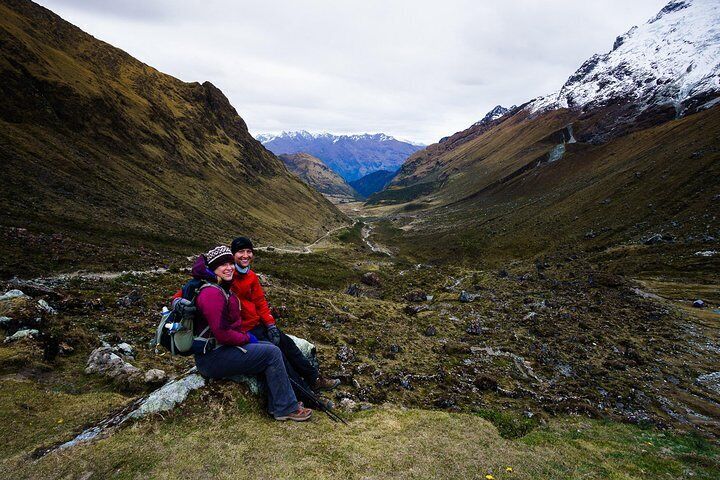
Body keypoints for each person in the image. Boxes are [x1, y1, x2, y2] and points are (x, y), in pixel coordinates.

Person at [184, 245, 312, 422]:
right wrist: (245, 338)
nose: (229, 267)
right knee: (272, 353)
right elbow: (222, 334)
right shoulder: (211, 293)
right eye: (223, 265)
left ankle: (277, 404)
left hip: (218, 352)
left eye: (230, 263)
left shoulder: (218, 286)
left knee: (269, 347)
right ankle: (285, 408)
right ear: (213, 269)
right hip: (212, 358)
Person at [229, 236, 341, 404]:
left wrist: (271, 325)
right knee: (280, 358)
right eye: (240, 252)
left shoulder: (251, 276)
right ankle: (308, 397)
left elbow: (260, 302)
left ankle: (314, 379)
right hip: (245, 330)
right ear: (232, 254)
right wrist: (179, 300)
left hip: (258, 324)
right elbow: (197, 284)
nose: (245, 255)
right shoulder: (227, 274)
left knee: (288, 344)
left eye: (249, 252)